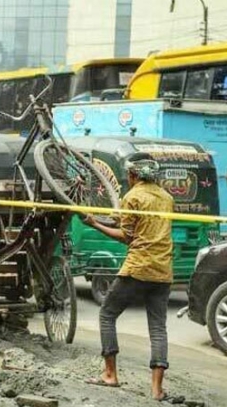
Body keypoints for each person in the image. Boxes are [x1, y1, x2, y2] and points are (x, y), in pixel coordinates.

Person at [82, 152, 174, 401]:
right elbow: (141, 225)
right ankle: (156, 390)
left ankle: (110, 374)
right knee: (158, 329)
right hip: (163, 271)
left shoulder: (132, 196)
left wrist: (95, 224)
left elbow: (127, 237)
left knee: (107, 314)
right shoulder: (167, 198)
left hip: (138, 268)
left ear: (133, 175)